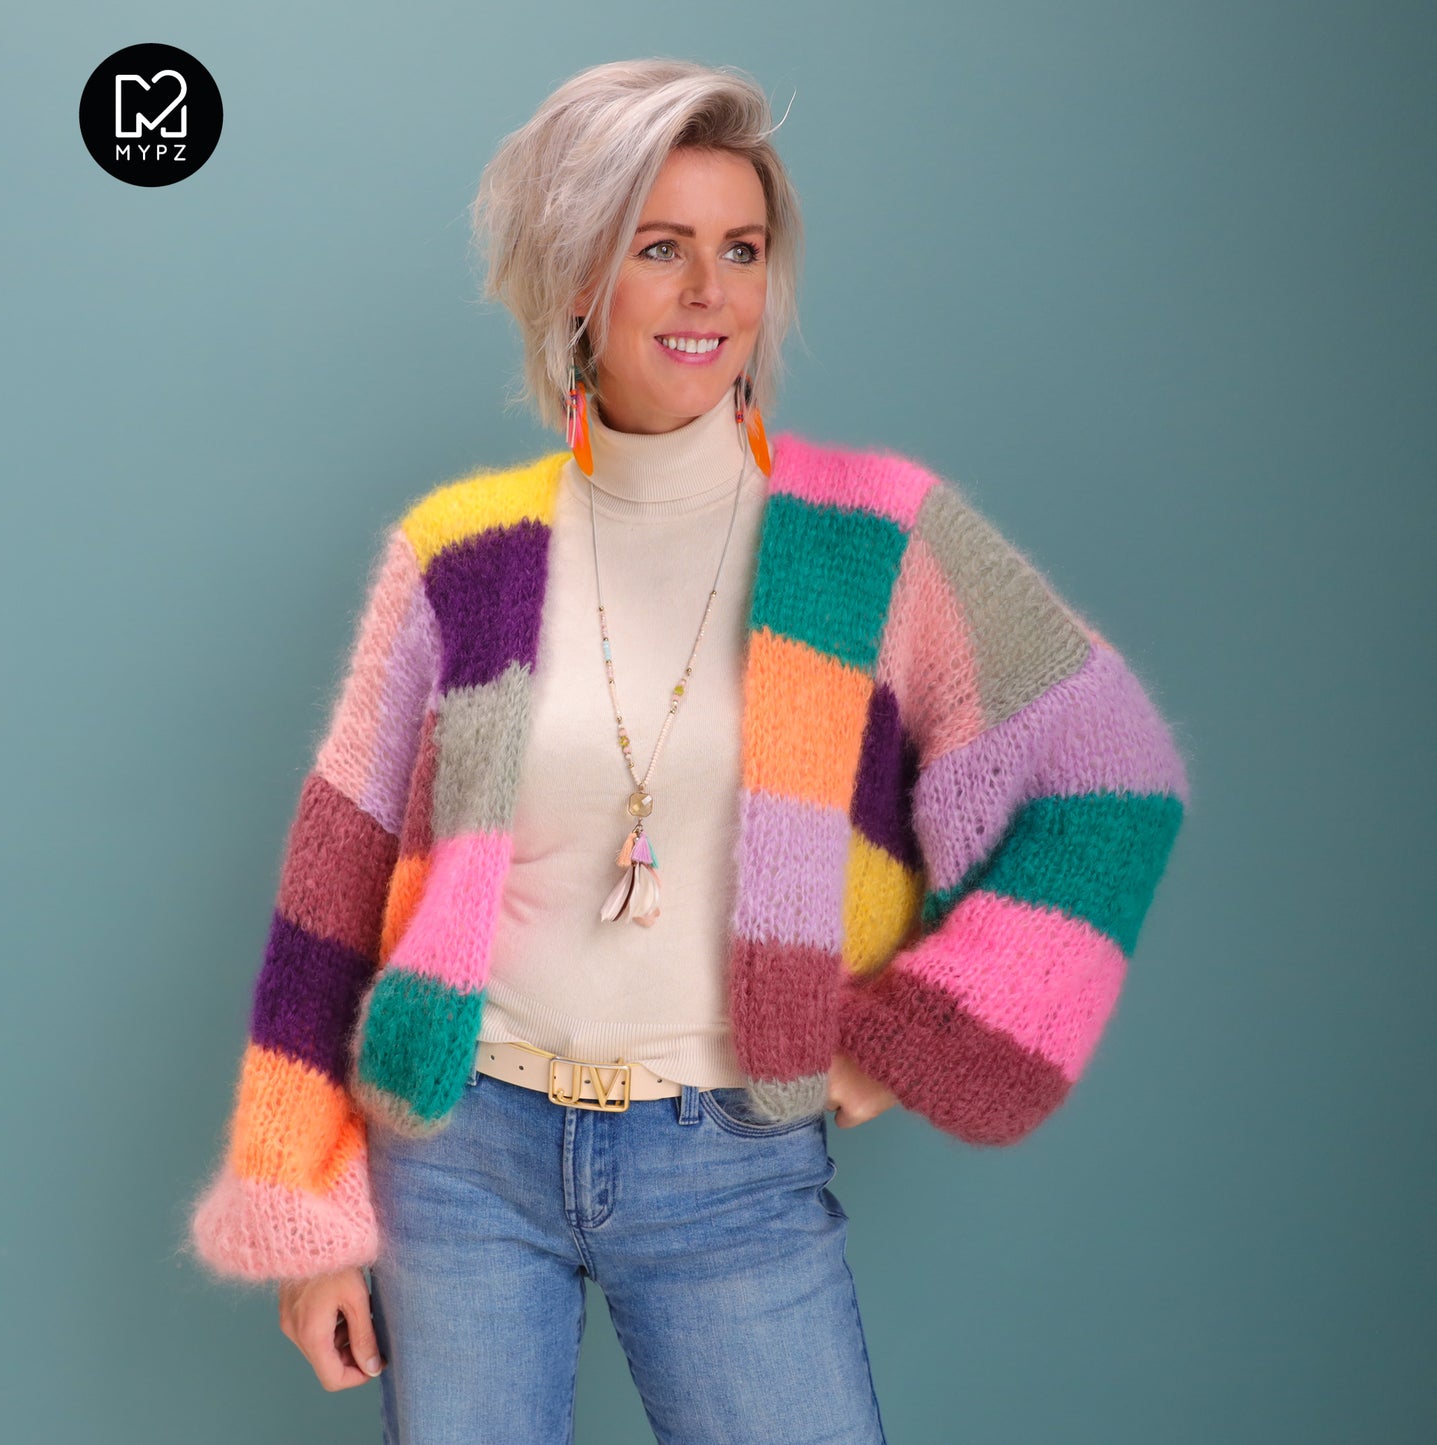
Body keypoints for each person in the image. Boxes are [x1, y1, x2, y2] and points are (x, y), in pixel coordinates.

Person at [184, 58, 1189, 1444]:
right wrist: (309, 1224)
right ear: (578, 280)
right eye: (661, 248)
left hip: (729, 1164)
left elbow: (1111, 784)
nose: (710, 290)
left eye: (742, 249)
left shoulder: (874, 539)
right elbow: (332, 896)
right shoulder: (460, 552)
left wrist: (909, 1038)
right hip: (456, 1156)